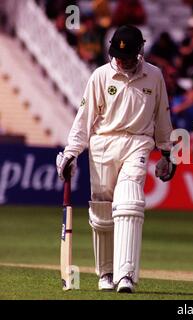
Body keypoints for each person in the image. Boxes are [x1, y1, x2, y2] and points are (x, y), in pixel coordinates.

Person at [56, 25, 176, 293]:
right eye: (117, 55)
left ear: (140, 52)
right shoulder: (101, 75)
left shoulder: (154, 76)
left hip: (138, 142)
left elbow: (163, 116)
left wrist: (167, 152)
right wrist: (72, 151)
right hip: (103, 145)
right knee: (102, 214)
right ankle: (106, 274)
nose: (121, 61)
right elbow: (84, 118)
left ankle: (126, 276)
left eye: (127, 56)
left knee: (130, 202)